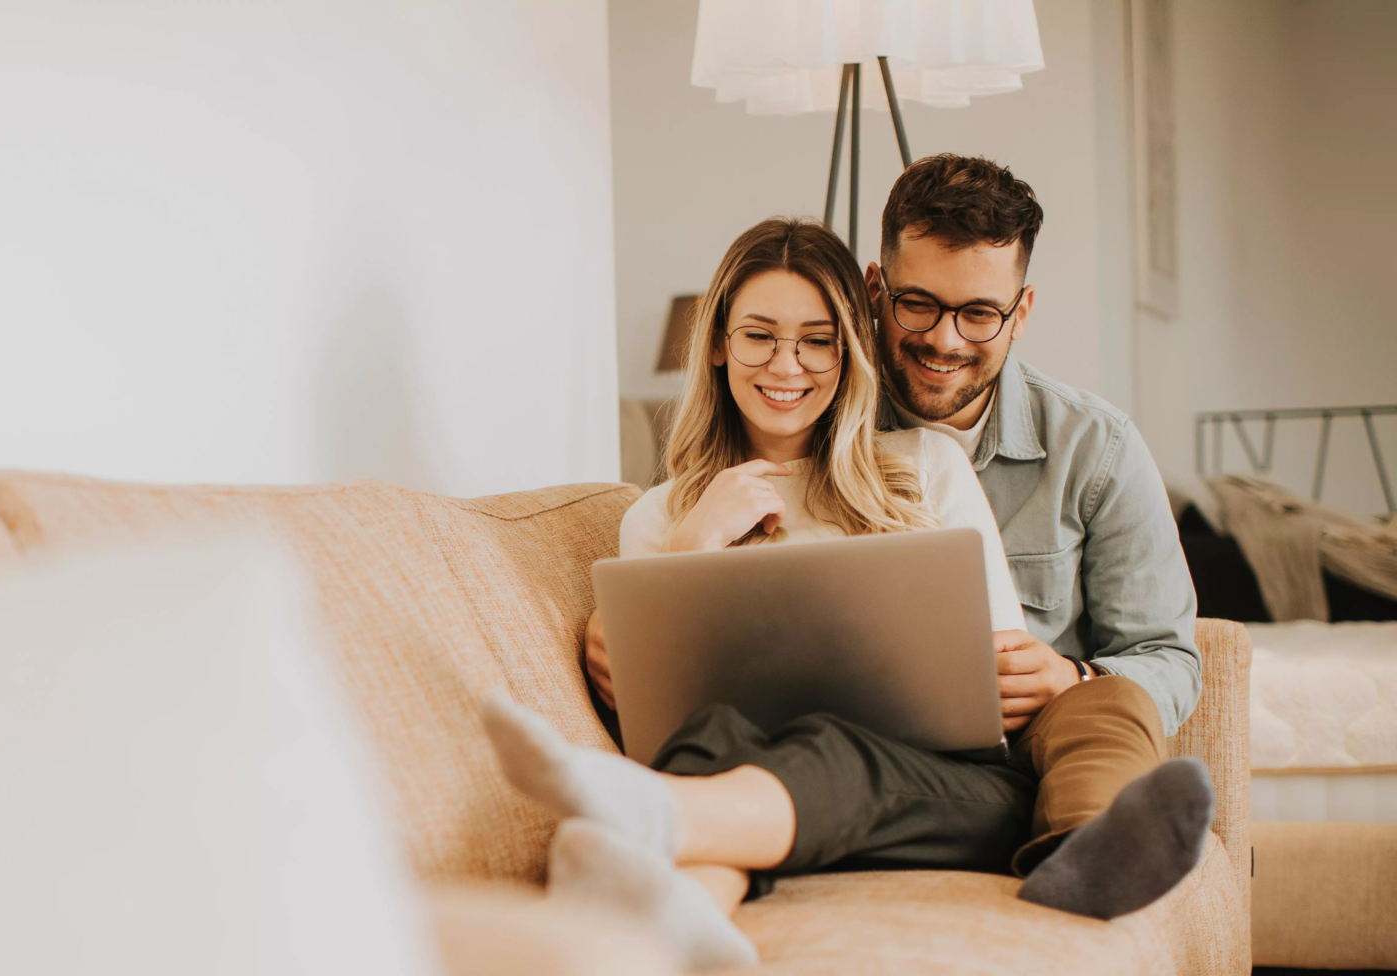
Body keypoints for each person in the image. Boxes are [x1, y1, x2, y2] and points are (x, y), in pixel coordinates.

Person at [506, 214, 1212, 969]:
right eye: (758, 335)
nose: (787, 364)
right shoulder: (664, 516)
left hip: (953, 794)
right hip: (751, 780)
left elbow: (994, 677)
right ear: (716, 343)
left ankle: (636, 823)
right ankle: (653, 927)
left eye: (817, 339)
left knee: (834, 749)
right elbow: (664, 722)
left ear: (849, 352)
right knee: (709, 741)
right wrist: (692, 547)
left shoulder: (925, 466)